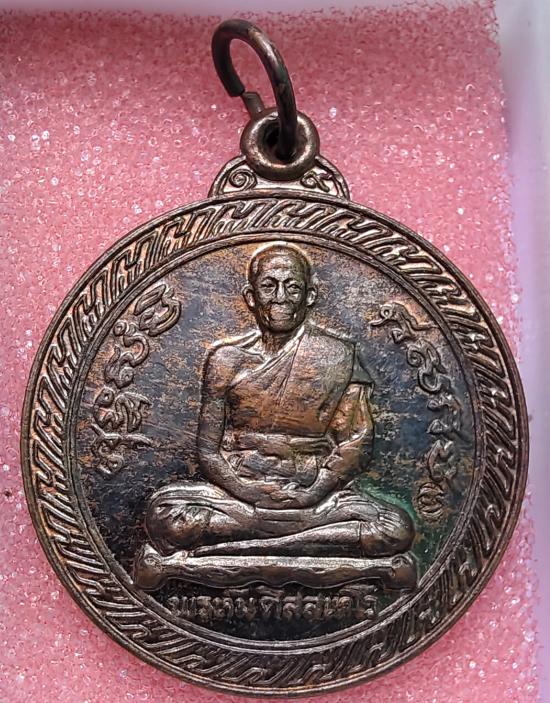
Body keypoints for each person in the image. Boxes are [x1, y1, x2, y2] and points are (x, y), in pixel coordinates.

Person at [134, 242, 415, 589]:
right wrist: (247, 491)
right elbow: (207, 450)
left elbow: (356, 441)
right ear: (251, 297)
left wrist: (313, 492)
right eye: (269, 286)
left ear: (309, 297)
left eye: (292, 287)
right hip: (239, 494)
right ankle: (301, 549)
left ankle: (230, 552)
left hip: (313, 495)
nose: (281, 297)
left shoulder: (337, 356)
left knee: (395, 529)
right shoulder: (226, 360)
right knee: (165, 518)